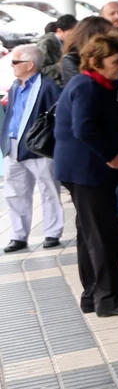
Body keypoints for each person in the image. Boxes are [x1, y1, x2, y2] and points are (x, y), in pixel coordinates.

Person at [53, 34, 118, 317]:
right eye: (115, 61)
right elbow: (84, 128)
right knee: (103, 235)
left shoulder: (100, 84)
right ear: (95, 62)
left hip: (87, 171)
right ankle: (109, 298)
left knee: (90, 233)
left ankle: (93, 294)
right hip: (87, 171)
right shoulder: (86, 86)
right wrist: (111, 155)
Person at [3, 44, 63, 251]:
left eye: (15, 62)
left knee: (49, 189)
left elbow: (56, 116)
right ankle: (18, 236)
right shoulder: (15, 86)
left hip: (38, 146)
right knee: (15, 192)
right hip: (13, 145)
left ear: (30, 65)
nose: (12, 66)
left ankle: (52, 233)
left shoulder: (47, 87)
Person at [59, 15, 113, 86]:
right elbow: (82, 87)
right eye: (108, 36)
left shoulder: (110, 54)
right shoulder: (71, 59)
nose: (113, 39)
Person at [35, 14, 76, 83]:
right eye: (70, 35)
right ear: (59, 31)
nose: (73, 37)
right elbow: (40, 70)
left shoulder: (67, 42)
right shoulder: (46, 43)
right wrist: (63, 65)